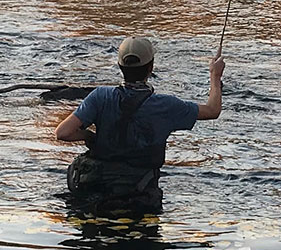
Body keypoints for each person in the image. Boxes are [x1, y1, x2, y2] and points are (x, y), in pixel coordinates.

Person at [56, 35, 223, 213]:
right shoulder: (166, 105)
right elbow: (213, 110)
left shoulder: (100, 96)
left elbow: (63, 132)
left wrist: (89, 136)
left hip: (98, 194)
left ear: (120, 67)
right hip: (140, 197)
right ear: (150, 68)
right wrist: (215, 76)